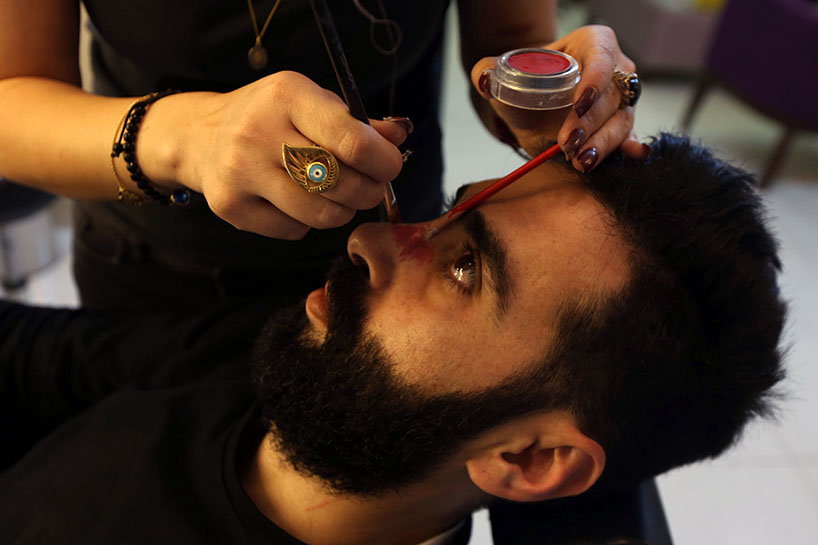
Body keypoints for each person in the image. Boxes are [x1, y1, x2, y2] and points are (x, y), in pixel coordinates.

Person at [0, 134, 786, 544]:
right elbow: (37, 355)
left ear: (531, 459)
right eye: (448, 213)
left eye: (465, 269)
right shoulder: (294, 358)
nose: (367, 242)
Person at [0, 0, 647, 311]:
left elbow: (510, 39)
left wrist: (545, 92)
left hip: (397, 268)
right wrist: (187, 136)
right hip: (156, 280)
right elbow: (13, 104)